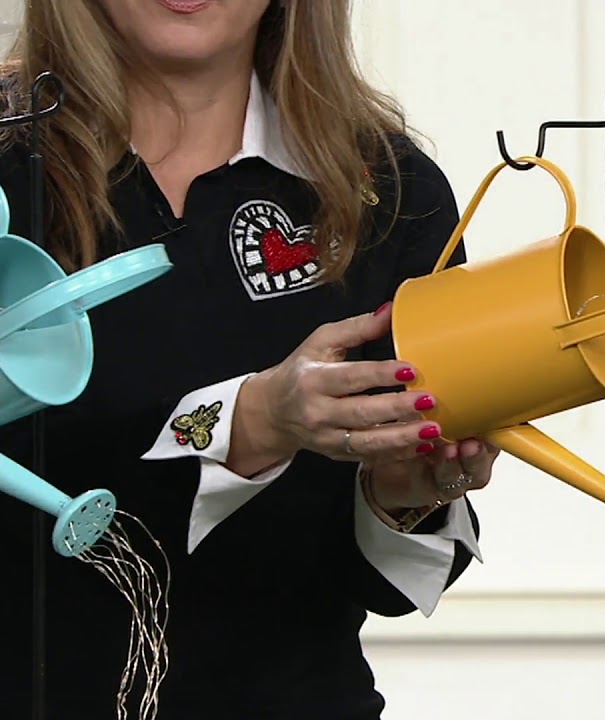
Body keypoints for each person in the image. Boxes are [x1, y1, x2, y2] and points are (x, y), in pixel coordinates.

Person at [0, 1, 495, 718]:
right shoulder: (12, 165)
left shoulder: (393, 191)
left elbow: (388, 588)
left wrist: (400, 496)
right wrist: (250, 422)